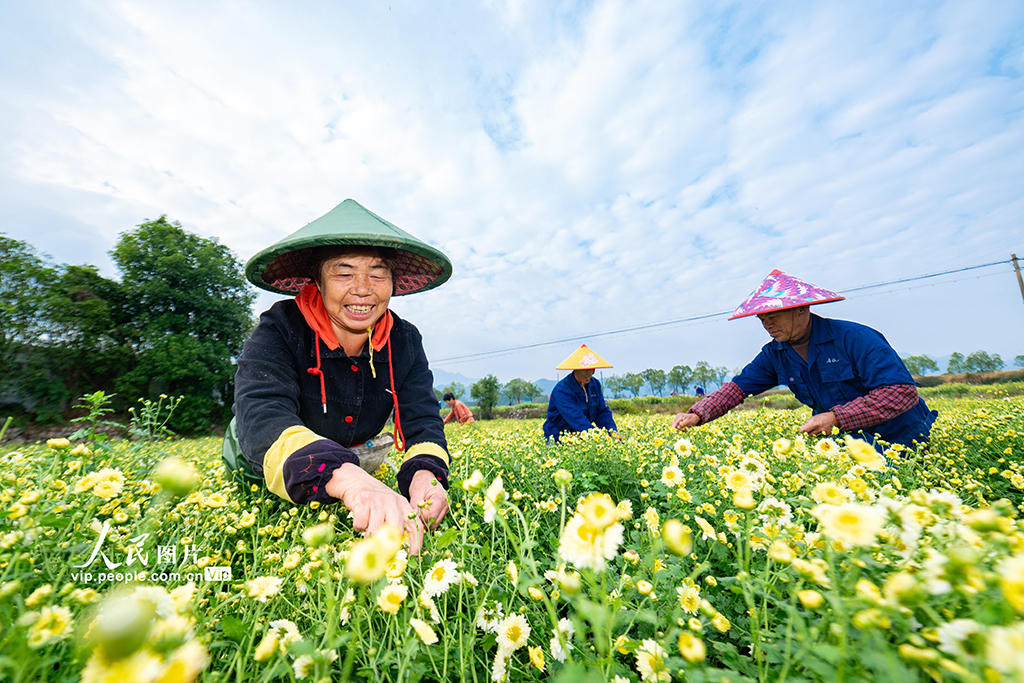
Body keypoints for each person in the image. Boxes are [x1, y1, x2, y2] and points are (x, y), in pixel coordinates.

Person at [223, 199, 454, 554]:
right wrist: (352, 481)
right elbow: (263, 414)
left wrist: (426, 476)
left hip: (353, 454)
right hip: (262, 457)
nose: (363, 289)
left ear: (394, 282)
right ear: (317, 281)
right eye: (344, 274)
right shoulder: (279, 329)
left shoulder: (405, 340)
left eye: (377, 274)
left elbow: (422, 419)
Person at [671, 269, 937, 450]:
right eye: (762, 319)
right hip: (853, 443)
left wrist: (836, 418)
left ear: (801, 309)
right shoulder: (775, 354)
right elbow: (737, 389)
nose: (767, 325)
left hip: (903, 439)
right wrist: (697, 414)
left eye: (773, 316)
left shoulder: (855, 338)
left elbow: (901, 393)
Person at [543, 344, 621, 442]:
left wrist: (612, 431)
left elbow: (601, 412)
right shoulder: (562, 390)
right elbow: (576, 419)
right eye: (587, 369)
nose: (591, 373)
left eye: (593, 369)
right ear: (576, 369)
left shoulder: (595, 384)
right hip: (559, 437)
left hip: (582, 436)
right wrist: (599, 438)